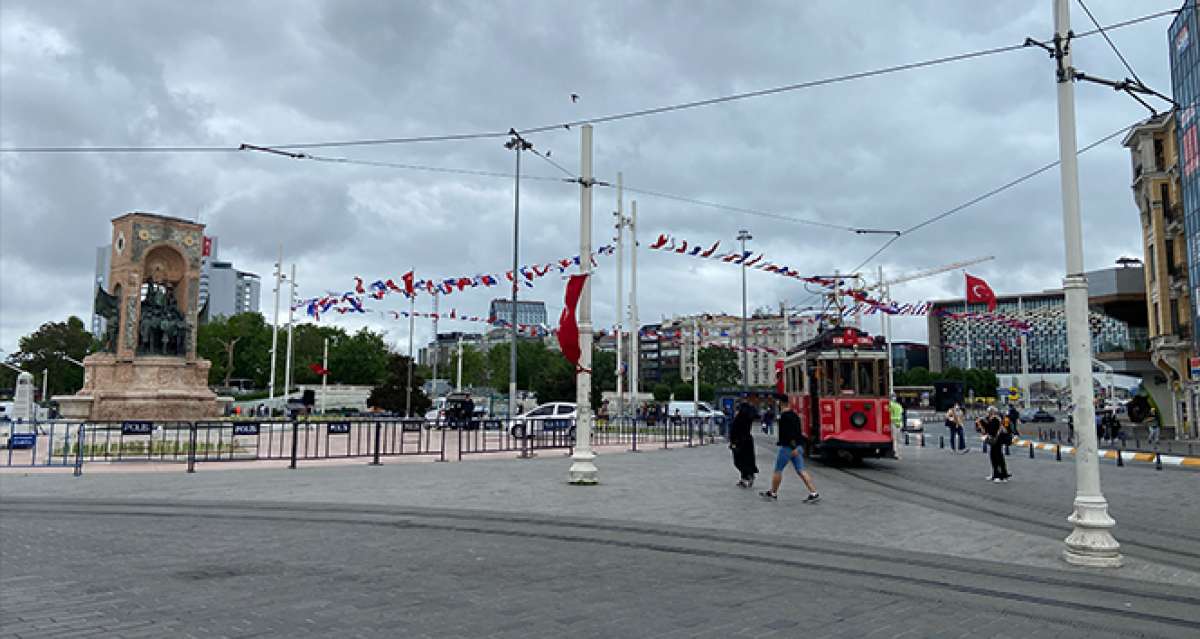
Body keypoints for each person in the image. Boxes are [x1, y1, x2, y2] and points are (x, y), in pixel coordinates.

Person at [760, 408, 820, 503]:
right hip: (798, 447)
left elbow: (787, 433)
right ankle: (814, 492)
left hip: (788, 447)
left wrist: (792, 446)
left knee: (778, 470)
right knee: (801, 470)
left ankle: (773, 493)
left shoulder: (784, 417)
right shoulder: (796, 416)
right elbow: (799, 432)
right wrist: (798, 446)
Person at [976, 406, 1011, 483]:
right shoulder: (991, 419)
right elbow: (986, 429)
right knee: (994, 457)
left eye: (988, 412)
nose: (986, 413)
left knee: (998, 458)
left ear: (992, 412)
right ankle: (996, 474)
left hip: (997, 440)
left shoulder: (996, 419)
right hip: (994, 441)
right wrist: (981, 422)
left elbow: (992, 430)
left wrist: (984, 425)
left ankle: (1000, 476)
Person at [729, 402, 759, 488]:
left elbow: (734, 430)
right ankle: (747, 476)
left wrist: (733, 442)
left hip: (738, 441)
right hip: (748, 441)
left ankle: (747, 477)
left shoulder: (739, 418)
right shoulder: (749, 417)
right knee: (747, 460)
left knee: (738, 461)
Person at [888, 395, 904, 459]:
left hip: (893, 423)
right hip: (898, 424)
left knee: (894, 439)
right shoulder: (899, 406)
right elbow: (901, 414)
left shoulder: (891, 405)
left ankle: (894, 453)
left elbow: (888, 413)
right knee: (898, 440)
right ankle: (896, 454)